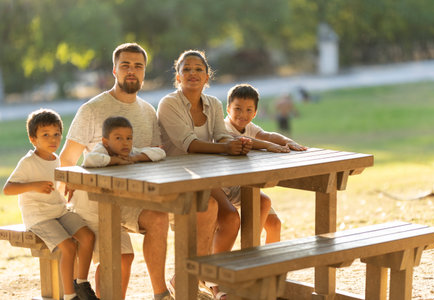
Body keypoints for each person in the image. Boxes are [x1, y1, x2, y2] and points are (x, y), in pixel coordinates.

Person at [59, 43, 174, 300]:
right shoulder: (92, 109)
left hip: (133, 199)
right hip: (95, 201)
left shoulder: (147, 110)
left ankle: (162, 294)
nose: (131, 71)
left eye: (138, 66)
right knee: (121, 259)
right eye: (125, 65)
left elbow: (155, 152)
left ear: (144, 72)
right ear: (114, 70)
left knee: (160, 217)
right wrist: (68, 193)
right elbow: (67, 159)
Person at [157, 50, 252, 300]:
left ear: (207, 76)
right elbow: (188, 143)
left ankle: (202, 278)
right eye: (186, 69)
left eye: (198, 69)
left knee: (239, 213)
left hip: (205, 176)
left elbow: (222, 134)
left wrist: (237, 143)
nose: (192, 73)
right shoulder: (169, 103)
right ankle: (199, 280)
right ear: (177, 77)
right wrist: (225, 147)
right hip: (178, 177)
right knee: (216, 210)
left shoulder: (213, 103)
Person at [3, 109, 98, 300]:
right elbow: (7, 189)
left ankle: (81, 283)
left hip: (59, 211)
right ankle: (70, 296)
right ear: (33, 139)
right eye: (45, 135)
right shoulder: (28, 162)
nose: (52, 139)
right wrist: (34, 186)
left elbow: (63, 181)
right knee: (69, 247)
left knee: (87, 237)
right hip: (38, 217)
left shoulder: (57, 160)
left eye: (56, 134)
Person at [71, 116, 166, 298]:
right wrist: (115, 161)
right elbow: (91, 160)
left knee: (125, 257)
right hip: (90, 212)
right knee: (111, 257)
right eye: (118, 138)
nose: (125, 142)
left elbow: (159, 153)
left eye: (129, 138)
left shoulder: (129, 153)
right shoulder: (100, 152)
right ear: (105, 142)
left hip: (115, 209)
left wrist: (136, 157)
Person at [224, 84, 308, 244]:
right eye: (238, 109)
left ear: (255, 113)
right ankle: (250, 253)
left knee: (274, 224)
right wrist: (267, 146)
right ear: (228, 109)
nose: (243, 114)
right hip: (226, 189)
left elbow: (266, 135)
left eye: (249, 110)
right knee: (261, 203)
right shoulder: (223, 127)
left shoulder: (249, 127)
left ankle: (271, 267)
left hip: (246, 187)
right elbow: (240, 141)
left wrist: (288, 141)